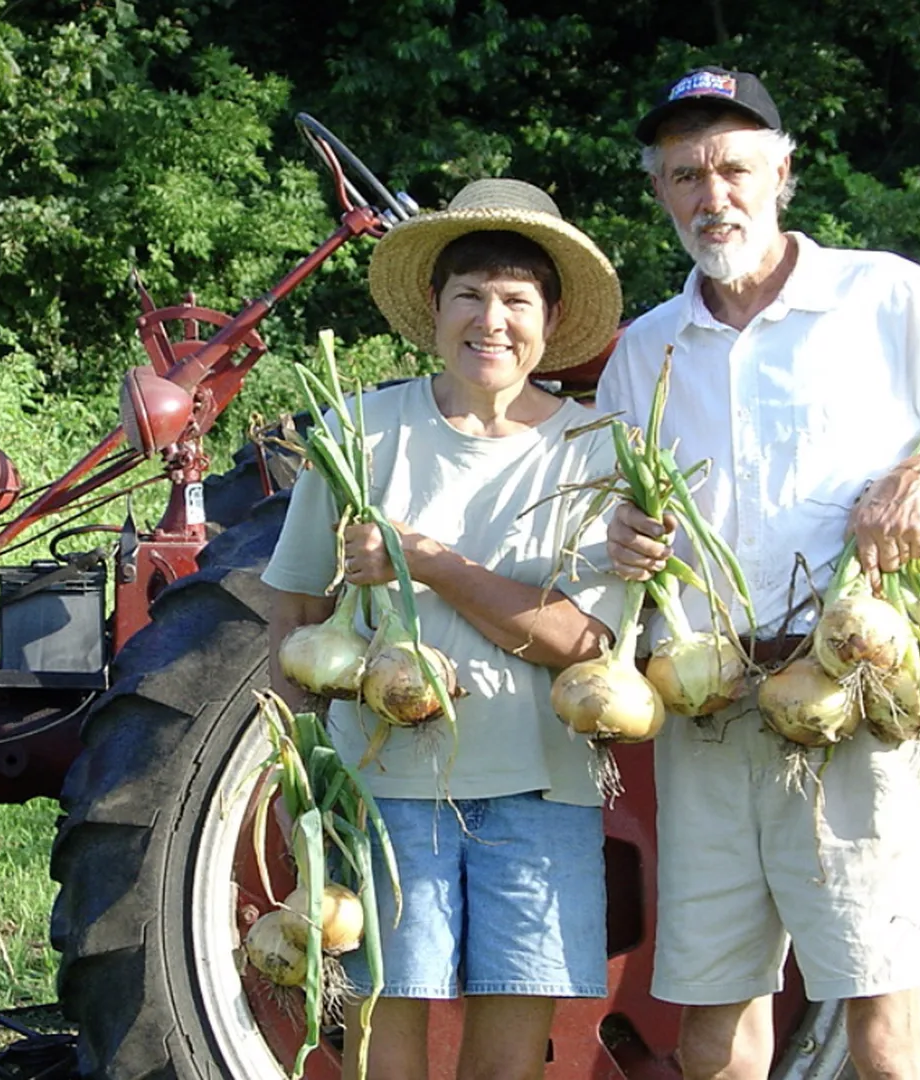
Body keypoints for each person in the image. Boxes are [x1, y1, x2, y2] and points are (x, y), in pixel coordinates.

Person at [602, 67, 920, 1080]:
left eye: (732, 167)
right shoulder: (643, 350)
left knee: (882, 1008)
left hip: (853, 698)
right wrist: (623, 535)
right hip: (709, 708)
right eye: (685, 175)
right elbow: (604, 510)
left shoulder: (881, 296)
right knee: (715, 1011)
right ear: (660, 194)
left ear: (783, 172)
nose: (711, 195)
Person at [262, 178, 626, 1080]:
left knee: (509, 1057)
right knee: (386, 1042)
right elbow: (299, 612)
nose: (490, 321)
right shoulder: (360, 432)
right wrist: (297, 775)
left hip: (543, 785)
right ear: (434, 306)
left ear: (551, 318)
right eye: (469, 295)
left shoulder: (596, 450)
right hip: (385, 787)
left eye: (515, 300)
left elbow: (585, 646)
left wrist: (429, 562)